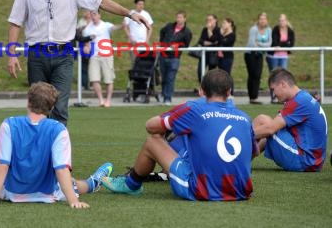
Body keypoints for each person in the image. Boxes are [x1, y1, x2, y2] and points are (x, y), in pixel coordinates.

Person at [7, 0, 150, 125]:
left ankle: (58, 152)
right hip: (37, 55)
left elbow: (101, 2)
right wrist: (12, 54)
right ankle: (40, 151)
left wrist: (129, 14)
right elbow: (15, 22)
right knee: (38, 108)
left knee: (59, 108)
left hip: (63, 55)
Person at [102, 69, 258, 201]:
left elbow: (150, 126)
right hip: (241, 192)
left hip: (202, 191)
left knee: (153, 141)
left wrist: (172, 118)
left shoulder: (195, 109)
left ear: (202, 91)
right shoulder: (244, 117)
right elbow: (254, 152)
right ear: (229, 92)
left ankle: (131, 184)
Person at [0, 82, 113, 208]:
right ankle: (91, 184)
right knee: (71, 183)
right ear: (52, 107)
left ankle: (90, 183)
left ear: (28, 101)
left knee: (66, 179)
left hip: (11, 194)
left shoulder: (8, 124)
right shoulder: (59, 129)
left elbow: (2, 165)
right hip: (48, 194)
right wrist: (73, 201)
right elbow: (61, 169)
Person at [253, 68, 327, 172]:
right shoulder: (303, 97)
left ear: (282, 84)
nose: (273, 95)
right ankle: (242, 161)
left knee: (263, 120)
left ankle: (236, 161)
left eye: (273, 89)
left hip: (304, 160)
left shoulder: (298, 101)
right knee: (267, 132)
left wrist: (244, 136)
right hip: (313, 161)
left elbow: (270, 129)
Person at [82, 11, 123, 107]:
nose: (93, 16)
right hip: (94, 56)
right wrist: (86, 47)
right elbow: (86, 42)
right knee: (94, 79)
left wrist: (122, 25)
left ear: (99, 15)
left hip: (106, 54)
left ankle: (108, 100)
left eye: (95, 14)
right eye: (92, 14)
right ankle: (101, 100)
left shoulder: (106, 25)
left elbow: (114, 28)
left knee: (109, 79)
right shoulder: (88, 28)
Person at [158, 11, 192, 105]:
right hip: (164, 55)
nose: (178, 19)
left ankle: (167, 98)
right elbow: (162, 32)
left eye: (181, 17)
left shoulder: (187, 32)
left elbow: (186, 45)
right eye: (177, 17)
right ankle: (164, 93)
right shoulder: (169, 26)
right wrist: (163, 43)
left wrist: (178, 46)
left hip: (175, 57)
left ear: (185, 19)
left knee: (170, 77)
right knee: (164, 77)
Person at [267, 14, 295, 103]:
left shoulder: (290, 31)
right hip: (274, 56)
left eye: (283, 20)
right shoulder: (275, 29)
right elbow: (275, 42)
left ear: (286, 21)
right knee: (274, 76)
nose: (281, 22)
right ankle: (273, 97)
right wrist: (285, 44)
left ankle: (284, 97)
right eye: (280, 20)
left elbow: (291, 44)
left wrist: (282, 46)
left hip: (284, 56)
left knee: (283, 76)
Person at [244, 12, 271, 104]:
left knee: (258, 75)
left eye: (264, 19)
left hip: (259, 54)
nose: (263, 21)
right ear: (258, 20)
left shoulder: (268, 30)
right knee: (252, 75)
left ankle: (255, 97)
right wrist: (263, 45)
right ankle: (251, 97)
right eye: (261, 19)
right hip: (250, 54)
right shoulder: (253, 29)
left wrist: (260, 44)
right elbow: (252, 43)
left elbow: (269, 44)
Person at [124, 0, 154, 65]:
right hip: (134, 42)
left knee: (144, 61)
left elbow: (150, 28)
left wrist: (147, 39)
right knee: (134, 61)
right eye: (139, 4)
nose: (141, 6)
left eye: (142, 4)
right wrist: (130, 37)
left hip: (144, 42)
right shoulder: (131, 13)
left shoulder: (146, 14)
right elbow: (125, 26)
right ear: (136, 4)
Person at [195, 14, 221, 84]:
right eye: (207, 20)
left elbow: (215, 39)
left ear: (215, 20)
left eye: (210, 20)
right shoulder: (204, 29)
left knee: (211, 72)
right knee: (200, 71)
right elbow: (201, 41)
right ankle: (203, 86)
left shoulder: (218, 30)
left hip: (213, 54)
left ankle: (210, 87)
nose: (208, 21)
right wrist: (212, 43)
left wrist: (209, 30)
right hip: (204, 53)